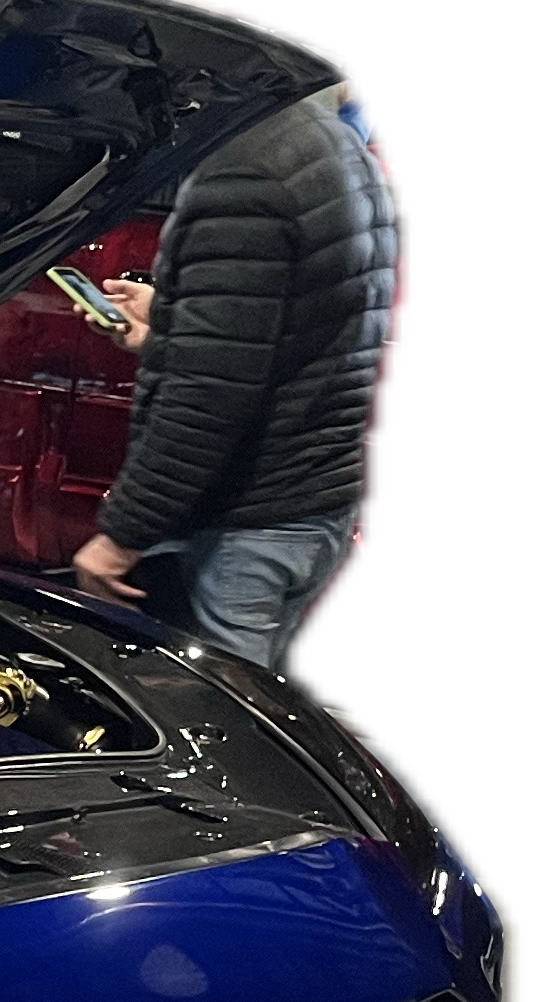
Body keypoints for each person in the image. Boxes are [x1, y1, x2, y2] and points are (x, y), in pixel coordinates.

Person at [70, 74, 398, 668]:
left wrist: (121, 537)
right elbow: (298, 338)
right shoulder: (343, 154)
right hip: (309, 510)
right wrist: (171, 320)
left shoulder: (250, 169)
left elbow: (206, 398)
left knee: (210, 713)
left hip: (245, 524)